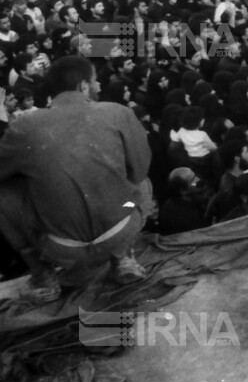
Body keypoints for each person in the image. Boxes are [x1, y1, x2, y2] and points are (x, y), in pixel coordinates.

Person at [0, 55, 150, 304]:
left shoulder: (24, 125)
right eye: (95, 81)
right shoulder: (118, 112)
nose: (99, 86)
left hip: (60, 244)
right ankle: (123, 257)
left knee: (5, 192)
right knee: (143, 183)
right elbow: (139, 171)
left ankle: (42, 275)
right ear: (83, 86)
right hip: (121, 226)